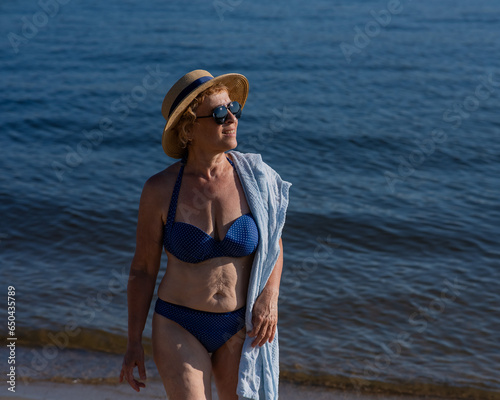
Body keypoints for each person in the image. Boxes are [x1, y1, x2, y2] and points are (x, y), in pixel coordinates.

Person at [119, 69, 291, 400]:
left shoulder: (255, 180)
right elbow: (142, 270)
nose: (230, 118)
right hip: (178, 325)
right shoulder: (160, 190)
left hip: (239, 327)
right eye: (217, 113)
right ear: (188, 129)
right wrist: (132, 342)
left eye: (233, 109)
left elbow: (274, 244)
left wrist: (270, 298)